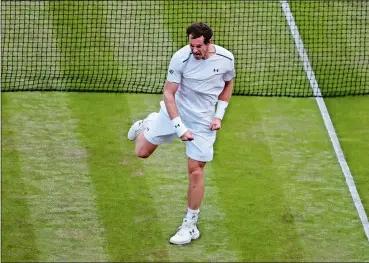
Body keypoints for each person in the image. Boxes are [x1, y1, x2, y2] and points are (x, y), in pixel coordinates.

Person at [127, 22, 235, 245]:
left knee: (196, 170)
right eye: (191, 44)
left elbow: (228, 83)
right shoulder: (181, 58)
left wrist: (218, 116)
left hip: (203, 121)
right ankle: (150, 122)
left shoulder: (226, 59)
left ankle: (190, 225)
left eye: (198, 46)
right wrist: (180, 127)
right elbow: (168, 93)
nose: (194, 50)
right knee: (141, 153)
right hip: (174, 112)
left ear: (209, 42)